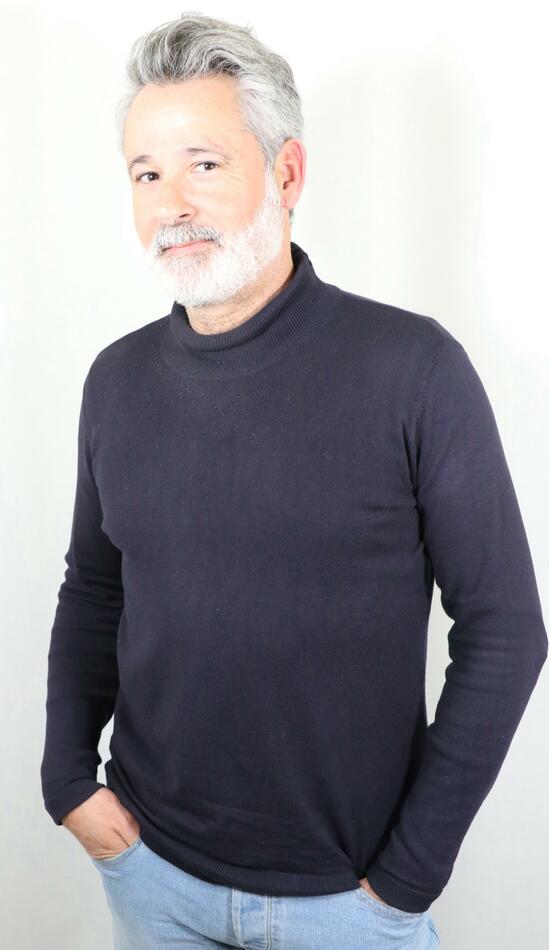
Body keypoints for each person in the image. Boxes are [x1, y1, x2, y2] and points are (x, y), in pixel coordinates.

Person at [40, 12, 547, 950]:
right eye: (145, 174)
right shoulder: (115, 380)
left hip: (347, 904)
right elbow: (95, 588)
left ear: (286, 175)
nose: (170, 204)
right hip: (151, 876)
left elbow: (506, 629)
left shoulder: (413, 370)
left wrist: (406, 878)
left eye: (203, 163)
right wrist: (67, 777)